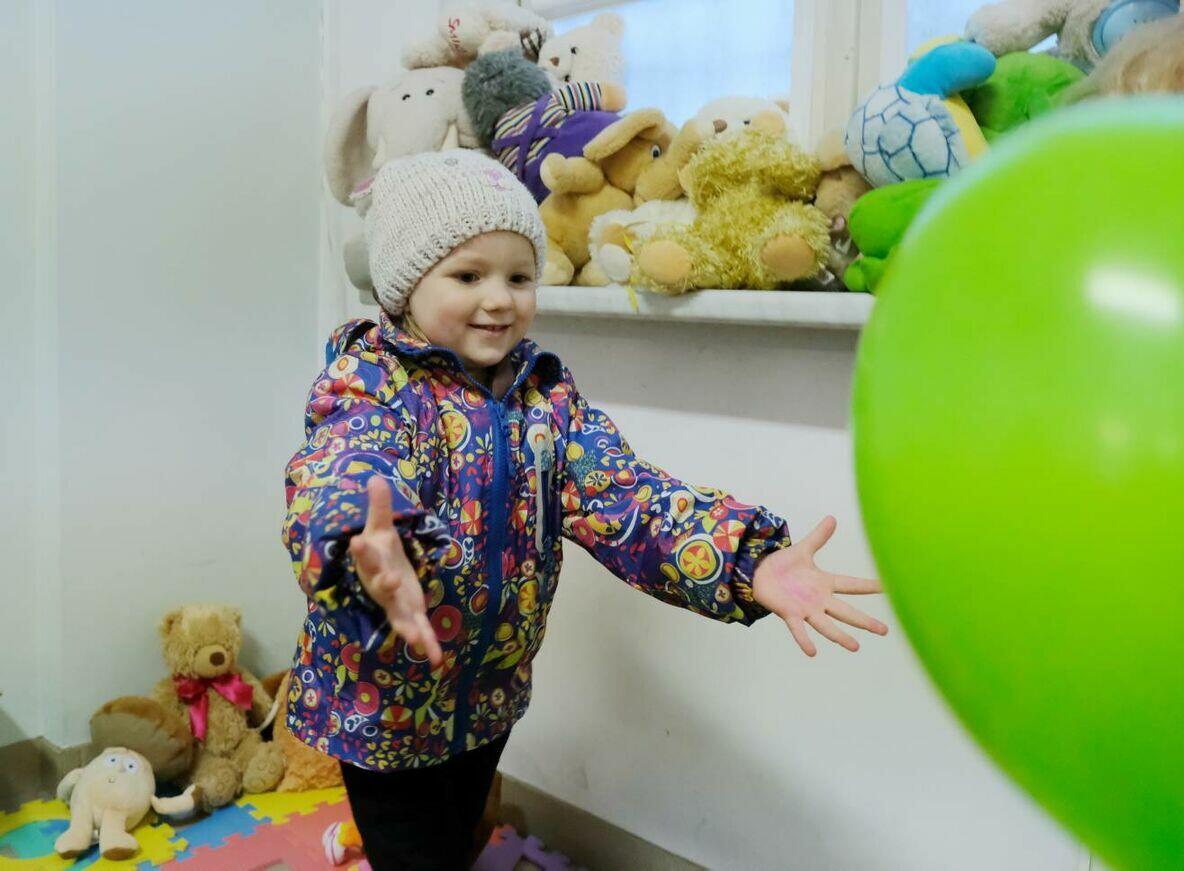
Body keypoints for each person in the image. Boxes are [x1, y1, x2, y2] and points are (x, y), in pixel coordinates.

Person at [282, 149, 887, 870]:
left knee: (456, 837)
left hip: (489, 697)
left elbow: (629, 498)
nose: (500, 299)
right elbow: (344, 465)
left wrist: (745, 560)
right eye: (468, 276)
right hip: (382, 704)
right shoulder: (369, 383)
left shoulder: (546, 399)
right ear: (403, 285)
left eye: (518, 276)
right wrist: (365, 544)